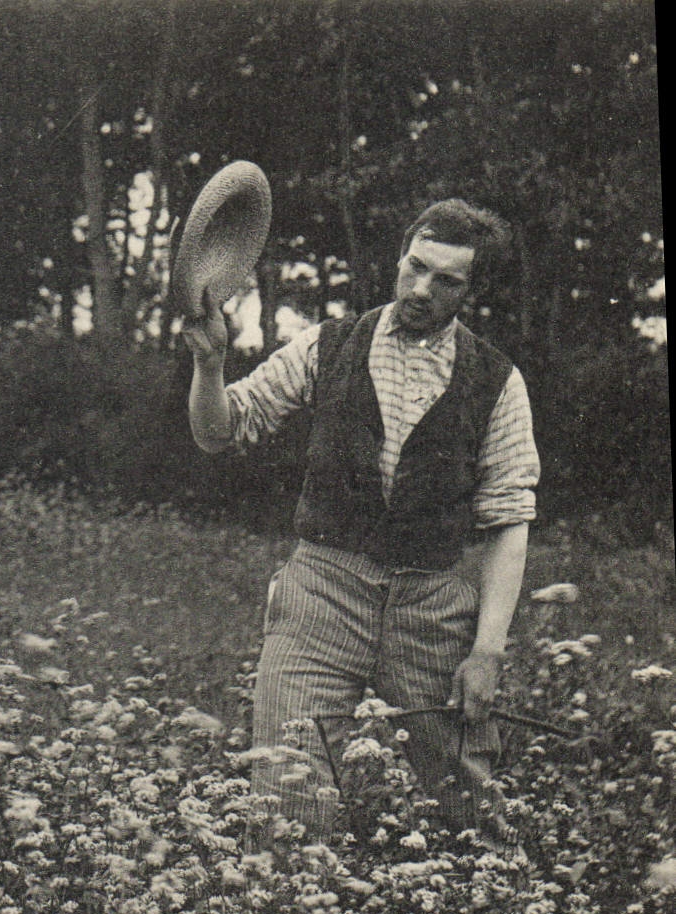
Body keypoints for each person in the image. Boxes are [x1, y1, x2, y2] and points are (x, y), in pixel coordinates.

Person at [185, 199, 539, 845]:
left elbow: (507, 519)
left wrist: (487, 650)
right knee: (289, 798)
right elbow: (218, 430)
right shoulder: (327, 344)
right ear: (400, 258)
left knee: (473, 812)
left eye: (447, 280)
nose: (422, 289)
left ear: (473, 290)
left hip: (431, 605)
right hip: (319, 593)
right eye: (416, 267)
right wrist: (210, 365)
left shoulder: (499, 382)